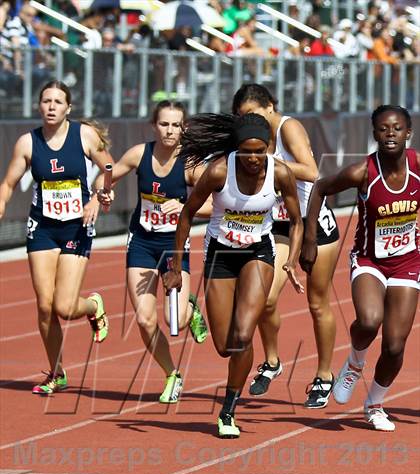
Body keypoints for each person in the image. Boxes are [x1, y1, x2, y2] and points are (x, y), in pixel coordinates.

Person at [163, 112, 304, 438]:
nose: (253, 158)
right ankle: (218, 328)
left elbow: (296, 221)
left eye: (260, 151)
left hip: (258, 253)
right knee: (224, 346)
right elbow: (186, 216)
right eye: (246, 151)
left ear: (269, 148)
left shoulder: (280, 174)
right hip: (221, 254)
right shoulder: (218, 171)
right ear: (236, 148)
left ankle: (228, 408)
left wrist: (291, 261)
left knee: (243, 335)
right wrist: (176, 269)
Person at [300, 105, 419, 432]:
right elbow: (321, 187)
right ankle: (354, 362)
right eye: (383, 129)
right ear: (374, 134)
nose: (390, 134)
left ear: (408, 133)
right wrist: (309, 238)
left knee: (395, 345)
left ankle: (375, 403)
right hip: (369, 260)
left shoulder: (417, 166)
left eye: (397, 129)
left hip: (408, 261)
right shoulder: (363, 172)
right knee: (369, 320)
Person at [0, 80, 112, 394]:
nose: (51, 106)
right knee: (45, 306)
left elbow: (108, 165)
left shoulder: (83, 135)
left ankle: (92, 306)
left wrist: (96, 197)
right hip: (43, 227)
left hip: (77, 226)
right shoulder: (27, 143)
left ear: (68, 108)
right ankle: (56, 372)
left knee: (64, 305)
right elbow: (9, 182)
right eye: (46, 101)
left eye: (58, 102)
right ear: (39, 106)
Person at [232, 84, 340, 408]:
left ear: (270, 107)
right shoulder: (250, 138)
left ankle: (323, 376)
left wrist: (264, 160)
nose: (249, 122)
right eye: (242, 117)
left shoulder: (287, 128)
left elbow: (312, 172)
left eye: (253, 114)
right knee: (264, 298)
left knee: (317, 303)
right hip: (279, 224)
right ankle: (273, 361)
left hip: (313, 224)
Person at [96, 100, 209, 404]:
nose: (169, 131)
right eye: (164, 124)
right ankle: (172, 374)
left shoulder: (191, 164)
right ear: (154, 125)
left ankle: (191, 309)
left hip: (174, 245)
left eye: (175, 125)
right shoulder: (139, 154)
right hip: (143, 243)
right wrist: (103, 190)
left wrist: (187, 207)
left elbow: (216, 205)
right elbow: (105, 177)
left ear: (183, 128)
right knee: (145, 320)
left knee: (177, 321)